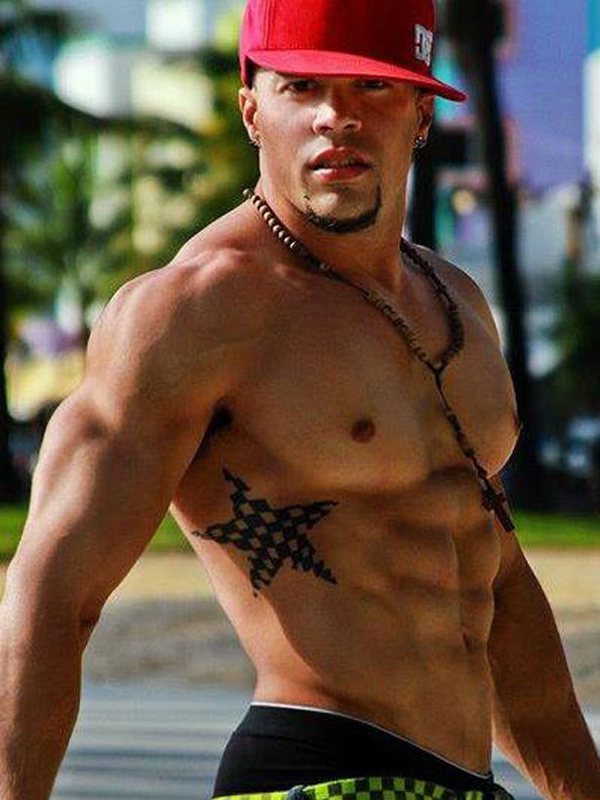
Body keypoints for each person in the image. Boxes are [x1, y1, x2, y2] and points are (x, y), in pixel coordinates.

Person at [1, 0, 599, 797]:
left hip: (464, 782)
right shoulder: (196, 312)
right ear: (252, 110)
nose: (335, 117)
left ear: (422, 113)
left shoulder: (456, 303)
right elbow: (53, 593)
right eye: (301, 87)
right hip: (313, 774)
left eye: (371, 88)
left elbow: (496, 586)